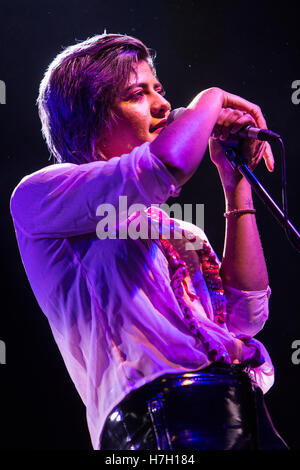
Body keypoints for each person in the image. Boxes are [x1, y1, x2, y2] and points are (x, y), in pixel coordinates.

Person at [10, 33, 289, 450]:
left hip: (244, 407)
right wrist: (211, 98)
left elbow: (246, 317)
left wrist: (235, 187)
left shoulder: (180, 232)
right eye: (136, 94)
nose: (162, 105)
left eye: (159, 89)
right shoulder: (41, 195)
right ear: (91, 117)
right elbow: (166, 164)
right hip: (161, 416)